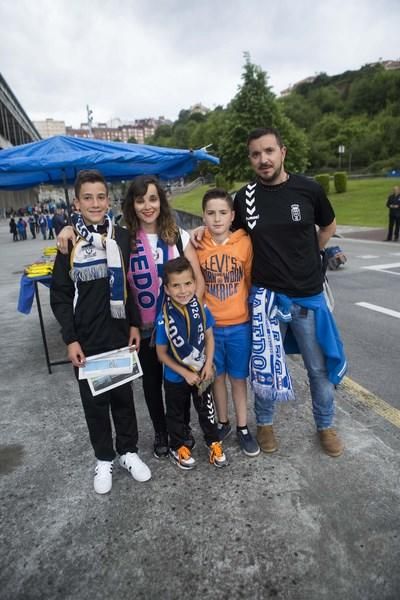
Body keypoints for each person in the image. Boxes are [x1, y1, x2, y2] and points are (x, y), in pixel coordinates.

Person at [192, 127, 347, 458]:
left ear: (282, 152)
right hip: (265, 298)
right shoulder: (244, 197)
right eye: (256, 154)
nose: (263, 159)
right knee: (264, 365)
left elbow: (329, 226)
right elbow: (226, 234)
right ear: (250, 159)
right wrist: (197, 232)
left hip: (307, 295)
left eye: (269, 151)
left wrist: (312, 257)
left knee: (317, 367)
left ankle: (325, 425)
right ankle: (263, 423)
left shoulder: (309, 189)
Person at [56, 175, 205, 460]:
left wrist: (189, 318)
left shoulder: (177, 234)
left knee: (177, 383)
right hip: (145, 327)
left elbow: (197, 281)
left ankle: (180, 430)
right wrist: (66, 228)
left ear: (161, 200)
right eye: (140, 200)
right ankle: (161, 432)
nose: (147, 206)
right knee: (151, 385)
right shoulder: (123, 237)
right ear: (131, 205)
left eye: (152, 198)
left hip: (176, 326)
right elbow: (90, 233)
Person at [50, 169, 151, 495]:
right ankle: (104, 457)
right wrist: (71, 338)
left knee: (123, 396)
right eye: (88, 198)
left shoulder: (121, 236)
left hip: (119, 332)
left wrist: (135, 323)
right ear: (77, 204)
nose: (95, 203)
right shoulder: (69, 242)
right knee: (95, 402)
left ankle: (128, 451)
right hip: (87, 337)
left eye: (101, 196)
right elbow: (61, 295)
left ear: (109, 200)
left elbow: (130, 285)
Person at [195, 188, 260, 457]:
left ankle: (243, 427)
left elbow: (249, 279)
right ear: (204, 216)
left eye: (223, 212)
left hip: (239, 325)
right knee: (217, 378)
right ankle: (224, 422)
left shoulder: (244, 242)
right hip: (212, 328)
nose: (217, 218)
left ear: (233, 215)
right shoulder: (197, 244)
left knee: (238, 379)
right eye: (211, 213)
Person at [155, 256, 227, 470]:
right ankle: (179, 447)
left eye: (187, 283)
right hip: (175, 377)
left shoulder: (202, 310)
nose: (183, 290)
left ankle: (214, 442)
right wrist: (184, 373)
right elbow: (161, 354)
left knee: (207, 411)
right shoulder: (164, 318)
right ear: (167, 289)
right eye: (176, 286)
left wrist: (207, 365)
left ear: (195, 284)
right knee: (176, 414)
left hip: (201, 372)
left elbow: (210, 337)